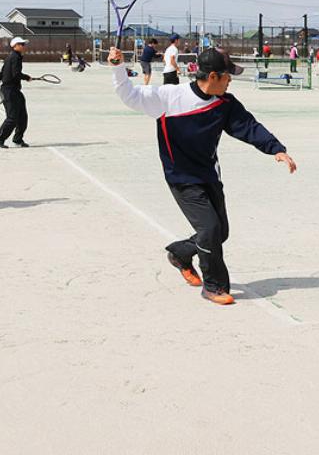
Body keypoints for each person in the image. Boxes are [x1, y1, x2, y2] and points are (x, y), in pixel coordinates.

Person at [108, 46, 296, 305]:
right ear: (213, 76)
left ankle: (180, 254)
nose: (230, 80)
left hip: (209, 175)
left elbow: (249, 127)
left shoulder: (225, 103)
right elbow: (129, 95)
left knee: (220, 233)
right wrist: (118, 67)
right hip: (181, 178)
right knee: (209, 229)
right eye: (228, 75)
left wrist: (276, 149)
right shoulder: (170, 97)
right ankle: (214, 286)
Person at [0, 36, 33, 148]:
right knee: (12, 117)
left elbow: (2, 72)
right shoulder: (15, 57)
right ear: (15, 46)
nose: (24, 46)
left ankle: (18, 139)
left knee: (22, 116)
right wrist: (26, 77)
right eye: (21, 44)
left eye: (24, 44)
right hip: (9, 90)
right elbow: (16, 74)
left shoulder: (12, 57)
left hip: (14, 90)